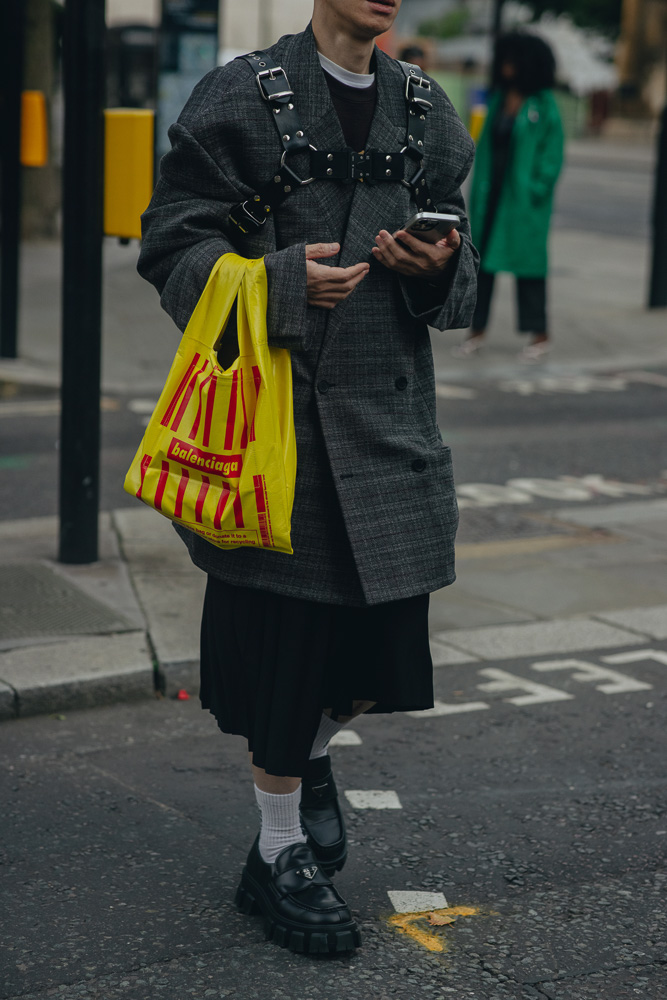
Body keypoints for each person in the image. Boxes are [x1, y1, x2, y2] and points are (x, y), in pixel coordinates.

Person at [137, 0, 478, 956]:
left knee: (375, 665)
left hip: (391, 424)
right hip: (274, 432)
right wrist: (278, 281)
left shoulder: (427, 105)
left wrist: (431, 265)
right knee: (288, 663)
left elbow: (462, 285)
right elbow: (169, 242)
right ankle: (277, 854)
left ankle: (312, 761)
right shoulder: (242, 92)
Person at [455, 31, 563, 361]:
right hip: (493, 195)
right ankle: (477, 330)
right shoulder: (500, 99)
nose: (506, 66)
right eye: (504, 59)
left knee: (528, 267)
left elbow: (552, 156)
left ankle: (539, 333)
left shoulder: (545, 105)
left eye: (514, 60)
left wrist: (536, 189)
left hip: (522, 202)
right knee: (482, 264)